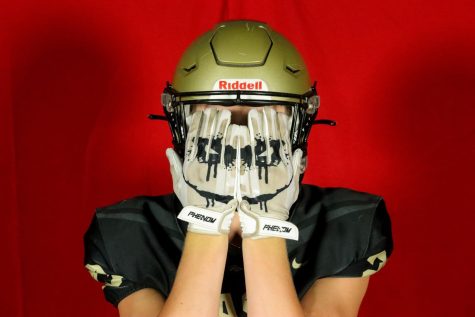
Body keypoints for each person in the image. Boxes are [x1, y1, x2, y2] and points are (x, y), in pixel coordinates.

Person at [84, 20, 393, 317]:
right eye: (215, 114)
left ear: (297, 127)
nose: (239, 133)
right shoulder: (130, 230)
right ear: (183, 125)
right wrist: (208, 220)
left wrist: (265, 220)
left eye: (265, 116)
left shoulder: (345, 223)